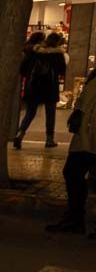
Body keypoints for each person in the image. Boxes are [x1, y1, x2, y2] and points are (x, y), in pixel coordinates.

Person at [46, 68, 96, 235]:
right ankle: (75, 218)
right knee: (74, 174)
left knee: (73, 173)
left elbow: (86, 107)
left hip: (88, 136)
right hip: (87, 135)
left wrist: (80, 123)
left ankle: (75, 219)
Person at [15, 32, 67, 149]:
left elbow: (23, 70)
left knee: (30, 112)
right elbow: (62, 71)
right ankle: (49, 139)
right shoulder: (58, 54)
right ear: (58, 42)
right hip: (50, 87)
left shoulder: (34, 52)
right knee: (50, 114)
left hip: (33, 86)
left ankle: (20, 133)